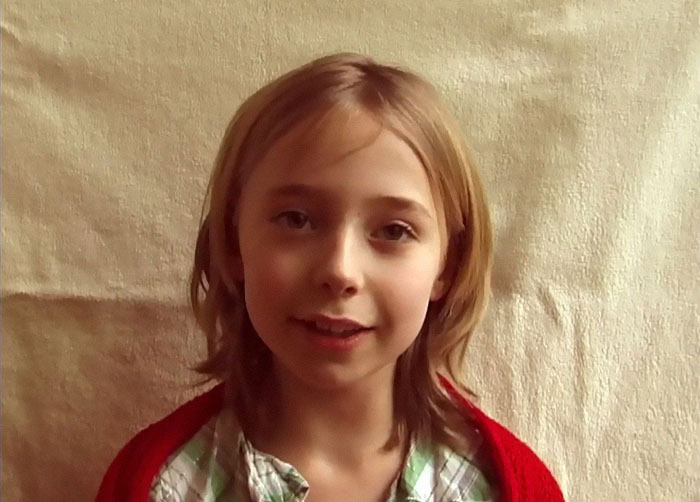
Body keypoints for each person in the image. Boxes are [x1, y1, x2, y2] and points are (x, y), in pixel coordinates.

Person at [96, 53, 565, 501]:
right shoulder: (161, 488)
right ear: (233, 241)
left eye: (394, 231)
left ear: (448, 265)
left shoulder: (499, 491)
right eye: (296, 220)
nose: (340, 271)